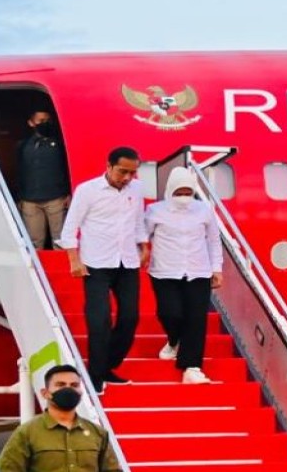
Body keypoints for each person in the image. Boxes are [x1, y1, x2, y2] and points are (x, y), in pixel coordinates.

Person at [60, 146, 149, 394]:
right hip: (95, 263)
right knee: (99, 320)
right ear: (108, 166)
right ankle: (96, 376)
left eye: (133, 173)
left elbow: (138, 220)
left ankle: (107, 365)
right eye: (123, 171)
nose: (128, 178)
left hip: (127, 261)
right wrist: (74, 260)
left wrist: (144, 246)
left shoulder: (137, 189)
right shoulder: (88, 190)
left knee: (130, 318)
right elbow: (70, 228)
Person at [145, 166, 223, 384]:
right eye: (179, 193)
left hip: (198, 271)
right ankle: (174, 340)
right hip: (164, 271)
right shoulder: (155, 211)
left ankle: (192, 367)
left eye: (188, 193)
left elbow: (214, 241)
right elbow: (142, 236)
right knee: (170, 314)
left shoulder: (203, 210)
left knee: (196, 320)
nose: (184, 198)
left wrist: (217, 269)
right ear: (170, 191)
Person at [17, 110, 71, 250]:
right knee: (34, 244)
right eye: (40, 120)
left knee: (60, 242)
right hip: (30, 201)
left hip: (56, 199)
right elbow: (19, 172)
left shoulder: (61, 144)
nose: (45, 124)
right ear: (31, 123)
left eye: (47, 120)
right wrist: (19, 197)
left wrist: (68, 192)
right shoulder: (23, 146)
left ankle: (61, 271)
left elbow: (67, 168)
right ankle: (37, 272)